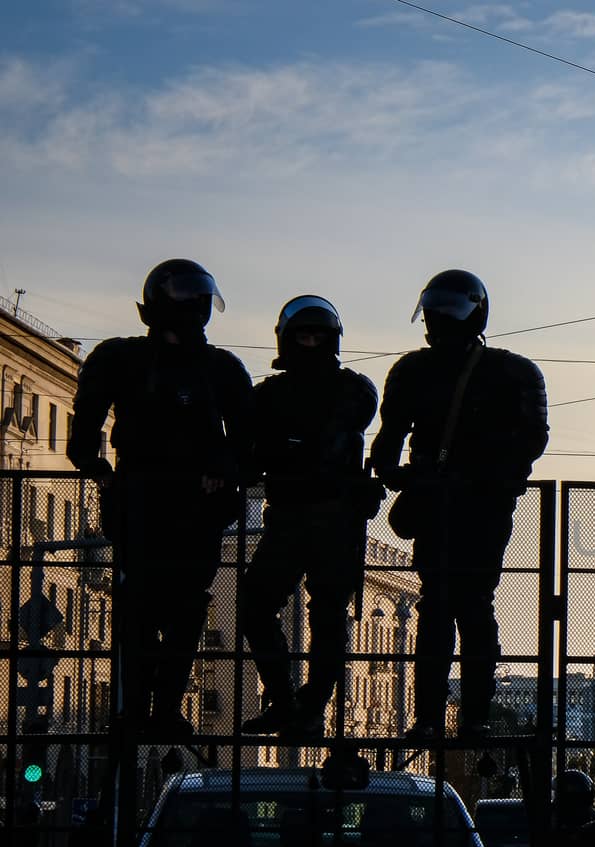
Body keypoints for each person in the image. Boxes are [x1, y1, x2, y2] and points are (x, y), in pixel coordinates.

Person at [67, 259, 253, 741]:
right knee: (143, 607)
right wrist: (93, 465)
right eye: (188, 296)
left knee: (180, 608)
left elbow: (248, 440)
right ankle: (140, 709)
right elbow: (85, 418)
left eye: (199, 296)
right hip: (149, 500)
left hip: (185, 503)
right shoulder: (126, 360)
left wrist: (225, 471)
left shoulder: (218, 368)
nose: (194, 305)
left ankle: (162, 709)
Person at [368, 270, 549, 740]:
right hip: (471, 503)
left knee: (451, 605)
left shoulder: (418, 371)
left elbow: (387, 444)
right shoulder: (512, 371)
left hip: (468, 501)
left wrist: (404, 475)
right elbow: (532, 441)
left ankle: (440, 717)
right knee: (464, 606)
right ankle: (465, 717)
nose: (439, 317)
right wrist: (406, 474)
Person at [240, 296, 380, 738]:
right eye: (304, 334)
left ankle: (311, 704)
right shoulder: (268, 396)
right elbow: (252, 454)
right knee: (258, 606)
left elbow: (320, 443)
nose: (311, 342)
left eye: (318, 335)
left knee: (327, 614)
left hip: (331, 517)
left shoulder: (353, 389)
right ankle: (286, 702)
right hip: (289, 515)